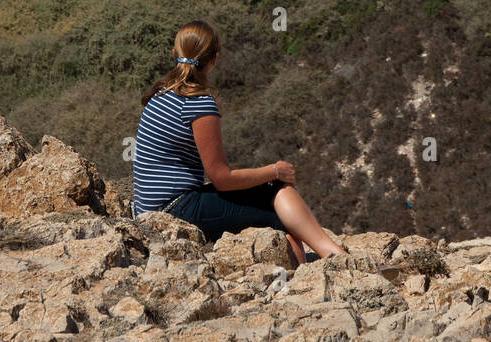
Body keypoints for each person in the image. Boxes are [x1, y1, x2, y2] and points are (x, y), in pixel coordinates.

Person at [132, 19, 346, 262]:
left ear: (175, 53)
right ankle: (332, 258)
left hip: (146, 209)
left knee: (270, 197)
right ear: (215, 59)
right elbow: (221, 178)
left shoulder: (159, 93)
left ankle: (326, 257)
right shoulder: (198, 104)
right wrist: (274, 171)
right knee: (276, 200)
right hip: (176, 209)